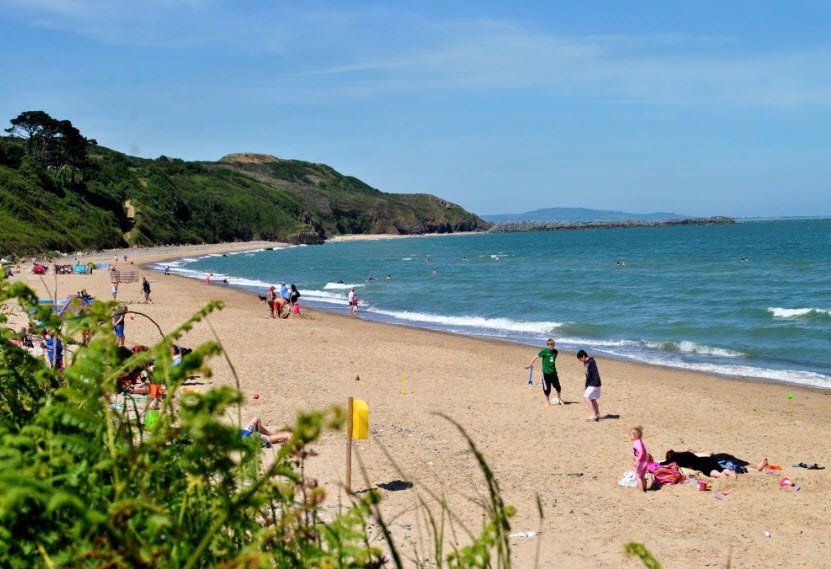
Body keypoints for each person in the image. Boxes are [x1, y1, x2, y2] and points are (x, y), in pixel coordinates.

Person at [525, 338, 562, 406]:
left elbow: (552, 361)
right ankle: (547, 402)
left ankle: (560, 399)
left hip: (553, 372)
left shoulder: (556, 352)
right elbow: (536, 356)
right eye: (550, 345)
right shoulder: (544, 351)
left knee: (558, 387)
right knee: (547, 389)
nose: (551, 347)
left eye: (552, 345)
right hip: (545, 373)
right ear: (547, 345)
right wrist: (530, 365)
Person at [661, 450, 737, 478]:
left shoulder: (675, 459)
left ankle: (720, 475)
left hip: (698, 464)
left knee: (708, 470)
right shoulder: (686, 453)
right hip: (705, 458)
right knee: (720, 468)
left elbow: (664, 463)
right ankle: (730, 473)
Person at [577, 350, 602, 421]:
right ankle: (598, 415)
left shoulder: (591, 362)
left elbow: (596, 373)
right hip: (591, 383)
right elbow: (588, 375)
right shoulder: (586, 362)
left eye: (580, 359)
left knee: (586, 397)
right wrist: (586, 385)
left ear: (583, 356)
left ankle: (593, 415)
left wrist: (597, 385)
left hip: (595, 383)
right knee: (592, 399)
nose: (580, 361)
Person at [631, 426, 648, 492]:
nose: (630, 437)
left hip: (641, 462)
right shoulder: (640, 442)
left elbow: (641, 451)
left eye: (631, 435)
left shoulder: (637, 443)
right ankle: (645, 488)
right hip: (645, 462)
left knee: (638, 477)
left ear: (635, 436)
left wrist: (637, 461)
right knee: (643, 477)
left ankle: (641, 491)